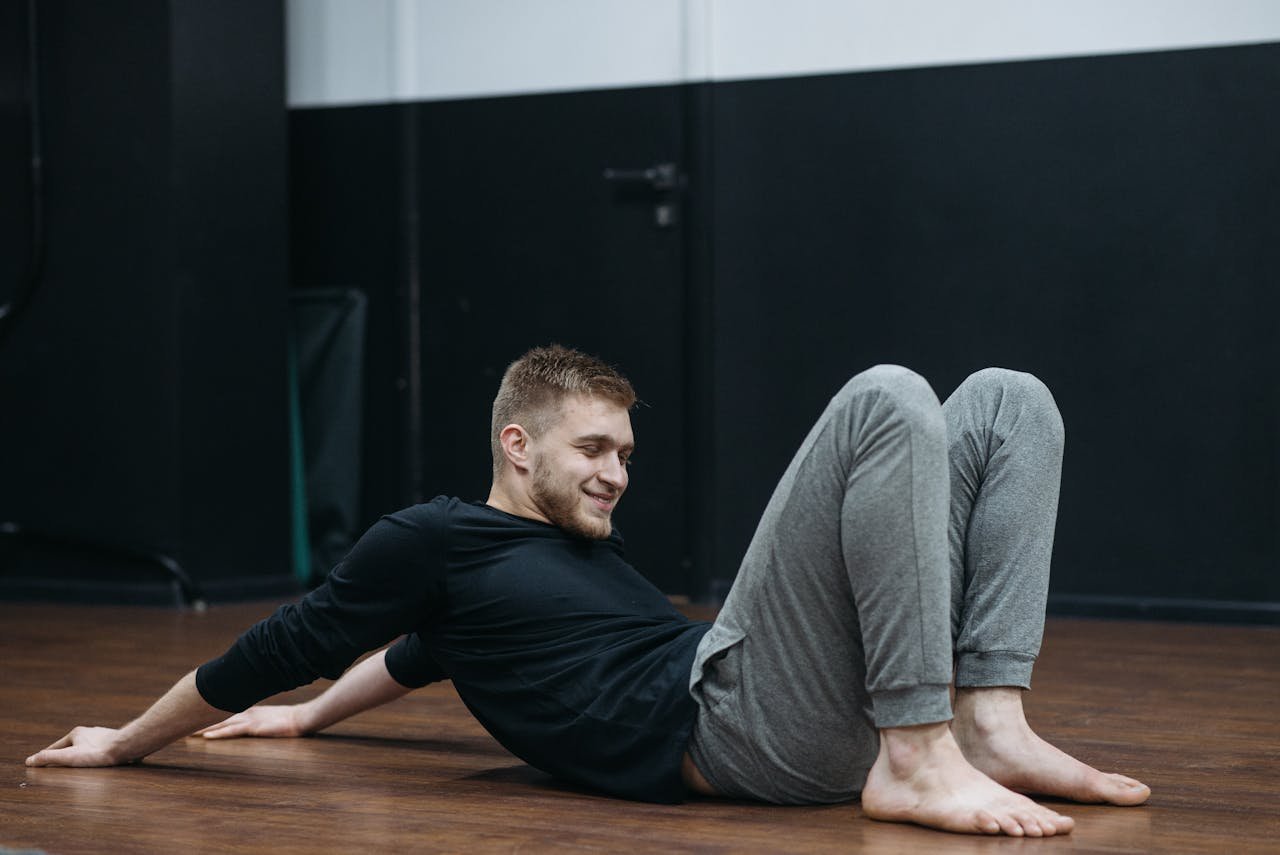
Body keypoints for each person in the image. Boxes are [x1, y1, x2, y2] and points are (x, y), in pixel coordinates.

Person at [26, 344, 1149, 837]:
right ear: (518, 445)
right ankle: (915, 756)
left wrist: (314, 715)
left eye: (624, 452)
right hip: (731, 721)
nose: (617, 472)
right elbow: (291, 636)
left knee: (1006, 399)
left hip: (785, 704)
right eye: (594, 450)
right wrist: (129, 743)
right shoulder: (435, 538)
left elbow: (422, 653)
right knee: (885, 398)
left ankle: (982, 722)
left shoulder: (530, 581)